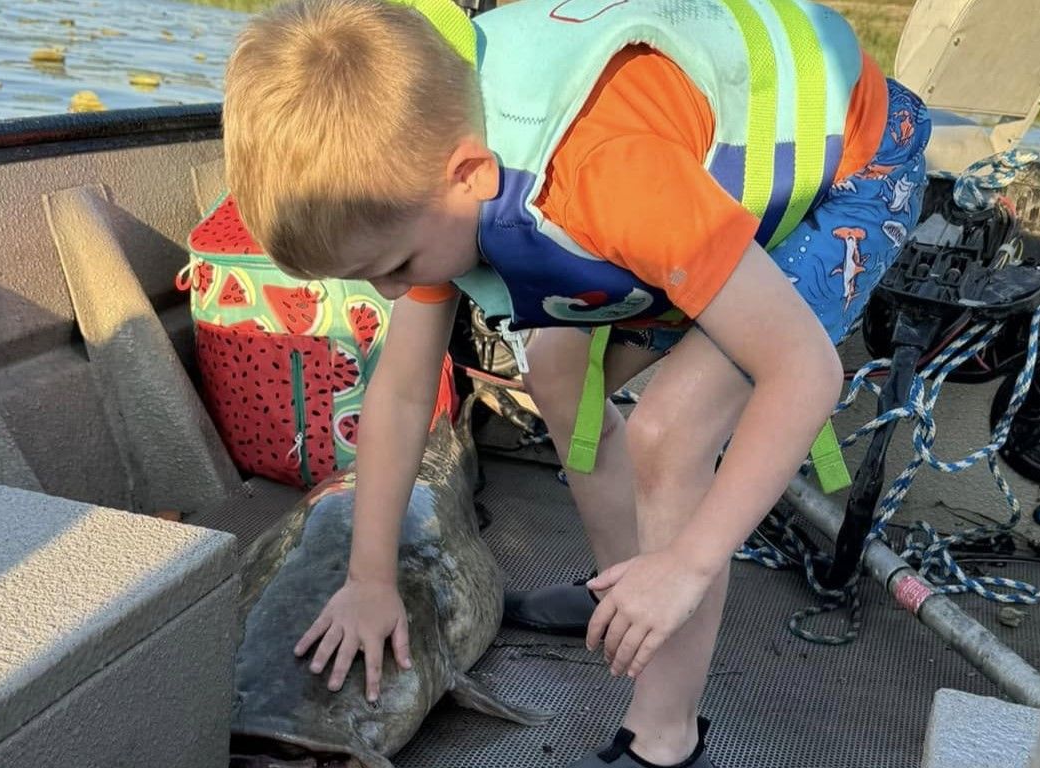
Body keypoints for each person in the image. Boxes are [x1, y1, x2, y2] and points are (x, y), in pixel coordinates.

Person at [221, 0, 930, 764]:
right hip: (683, 185)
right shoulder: (422, 179)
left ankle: (665, 735)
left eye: (395, 270)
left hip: (848, 170)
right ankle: (620, 589)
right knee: (555, 368)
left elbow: (804, 371)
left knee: (671, 429)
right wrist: (370, 578)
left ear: (469, 174)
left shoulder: (606, 178)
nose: (393, 293)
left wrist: (686, 567)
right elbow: (397, 393)